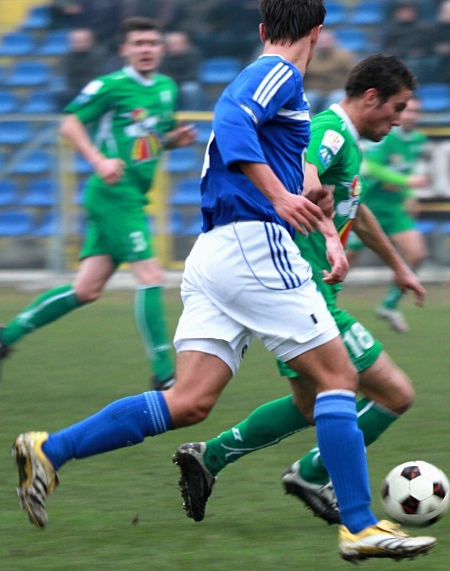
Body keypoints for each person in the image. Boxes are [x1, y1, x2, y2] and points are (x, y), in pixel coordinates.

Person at [9, 0, 437, 563]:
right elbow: (231, 117)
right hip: (254, 245)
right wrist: (279, 198)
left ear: (263, 26)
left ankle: (49, 449)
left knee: (189, 401)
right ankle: (360, 525)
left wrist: (320, 229)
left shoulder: (281, 88)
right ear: (314, 32)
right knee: (338, 381)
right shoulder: (278, 73)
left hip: (214, 252)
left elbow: (286, 163)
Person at [172, 53, 425, 528]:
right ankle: (313, 475)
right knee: (395, 394)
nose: (400, 119)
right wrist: (328, 235)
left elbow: (358, 210)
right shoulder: (330, 131)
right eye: (397, 107)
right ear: (371, 98)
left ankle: (212, 457)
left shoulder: (347, 141)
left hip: (302, 289)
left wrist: (399, 267)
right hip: (301, 292)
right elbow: (306, 173)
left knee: (311, 404)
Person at [0, 17, 197, 391]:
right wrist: (98, 160)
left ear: (161, 49)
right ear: (124, 50)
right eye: (138, 43)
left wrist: (172, 141)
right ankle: (164, 373)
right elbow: (69, 123)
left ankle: (5, 335)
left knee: (87, 289)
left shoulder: (166, 88)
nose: (146, 49)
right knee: (151, 276)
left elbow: (146, 140)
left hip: (130, 195)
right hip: (114, 193)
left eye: (152, 42)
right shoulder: (110, 86)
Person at [347, 96, 428, 333]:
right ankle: (321, 306)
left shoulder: (417, 140)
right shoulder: (386, 137)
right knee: (342, 262)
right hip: (368, 207)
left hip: (393, 209)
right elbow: (373, 167)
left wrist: (409, 195)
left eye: (416, 111)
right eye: (408, 110)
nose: (412, 115)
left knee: (417, 254)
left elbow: (408, 167)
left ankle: (390, 305)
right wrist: (406, 181)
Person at [55, 28, 110, 109]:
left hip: (93, 88)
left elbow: (100, 76)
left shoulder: (101, 55)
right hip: (73, 88)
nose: (79, 44)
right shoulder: (68, 57)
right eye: (76, 41)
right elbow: (62, 73)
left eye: (82, 41)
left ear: (91, 41)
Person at [302, 30, 356, 113]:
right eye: (322, 41)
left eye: (327, 41)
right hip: (314, 89)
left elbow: (352, 74)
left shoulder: (344, 56)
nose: (325, 44)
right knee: (308, 99)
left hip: (336, 89)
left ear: (334, 41)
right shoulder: (310, 55)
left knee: (335, 100)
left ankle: (327, 123)